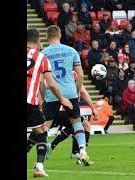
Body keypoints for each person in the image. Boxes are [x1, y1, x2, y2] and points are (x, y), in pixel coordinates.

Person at [40, 25, 92, 166]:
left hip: (52, 93)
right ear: (60, 35)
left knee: (45, 127)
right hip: (70, 92)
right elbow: (80, 74)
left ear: (47, 37)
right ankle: (82, 151)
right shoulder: (71, 51)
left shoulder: (43, 54)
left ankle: (41, 158)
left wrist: (42, 97)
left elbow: (42, 81)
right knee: (76, 122)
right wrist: (76, 91)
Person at [27, 29, 73, 177]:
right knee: (41, 132)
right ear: (38, 40)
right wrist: (61, 99)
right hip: (29, 102)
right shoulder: (41, 58)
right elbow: (51, 84)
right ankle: (39, 166)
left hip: (32, 101)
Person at [45, 72, 99, 162]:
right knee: (84, 125)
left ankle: (72, 151)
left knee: (73, 127)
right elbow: (83, 92)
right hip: (63, 110)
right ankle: (79, 152)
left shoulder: (61, 76)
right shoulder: (73, 76)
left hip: (57, 110)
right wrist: (93, 108)